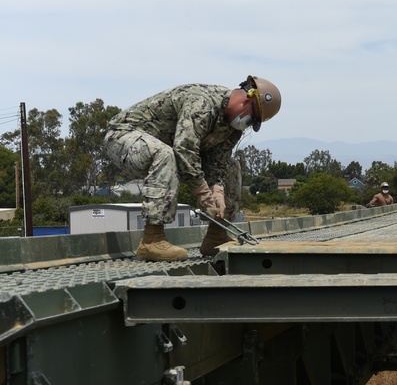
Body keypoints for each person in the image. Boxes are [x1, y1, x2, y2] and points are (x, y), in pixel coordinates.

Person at [103, 75, 281, 261]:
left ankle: (216, 236)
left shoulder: (233, 128)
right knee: (165, 154)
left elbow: (217, 163)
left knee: (231, 166)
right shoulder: (202, 103)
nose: (248, 124)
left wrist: (217, 191)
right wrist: (205, 195)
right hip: (123, 136)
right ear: (246, 100)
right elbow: (184, 149)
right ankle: (151, 240)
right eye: (252, 118)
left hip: (167, 148)